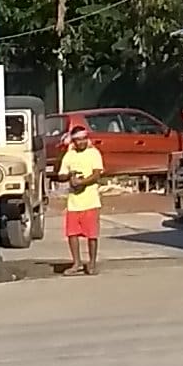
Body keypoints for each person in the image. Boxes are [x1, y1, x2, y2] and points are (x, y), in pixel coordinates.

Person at [56, 113, 108, 276]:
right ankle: (76, 263)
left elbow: (97, 174)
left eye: (84, 139)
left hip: (91, 201)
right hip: (74, 202)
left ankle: (91, 263)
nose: (81, 142)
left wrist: (82, 182)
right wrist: (70, 176)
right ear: (74, 141)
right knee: (72, 234)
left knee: (92, 235)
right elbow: (61, 174)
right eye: (78, 140)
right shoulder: (69, 155)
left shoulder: (94, 153)